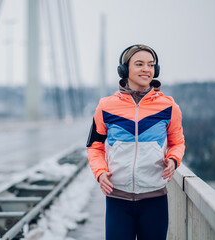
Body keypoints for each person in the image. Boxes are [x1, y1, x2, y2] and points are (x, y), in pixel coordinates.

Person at [86, 44, 185, 240]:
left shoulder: (168, 107)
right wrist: (100, 172)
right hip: (117, 199)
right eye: (139, 64)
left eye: (151, 65)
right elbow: (94, 147)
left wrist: (173, 159)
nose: (146, 69)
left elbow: (178, 142)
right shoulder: (106, 106)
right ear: (124, 69)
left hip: (155, 199)